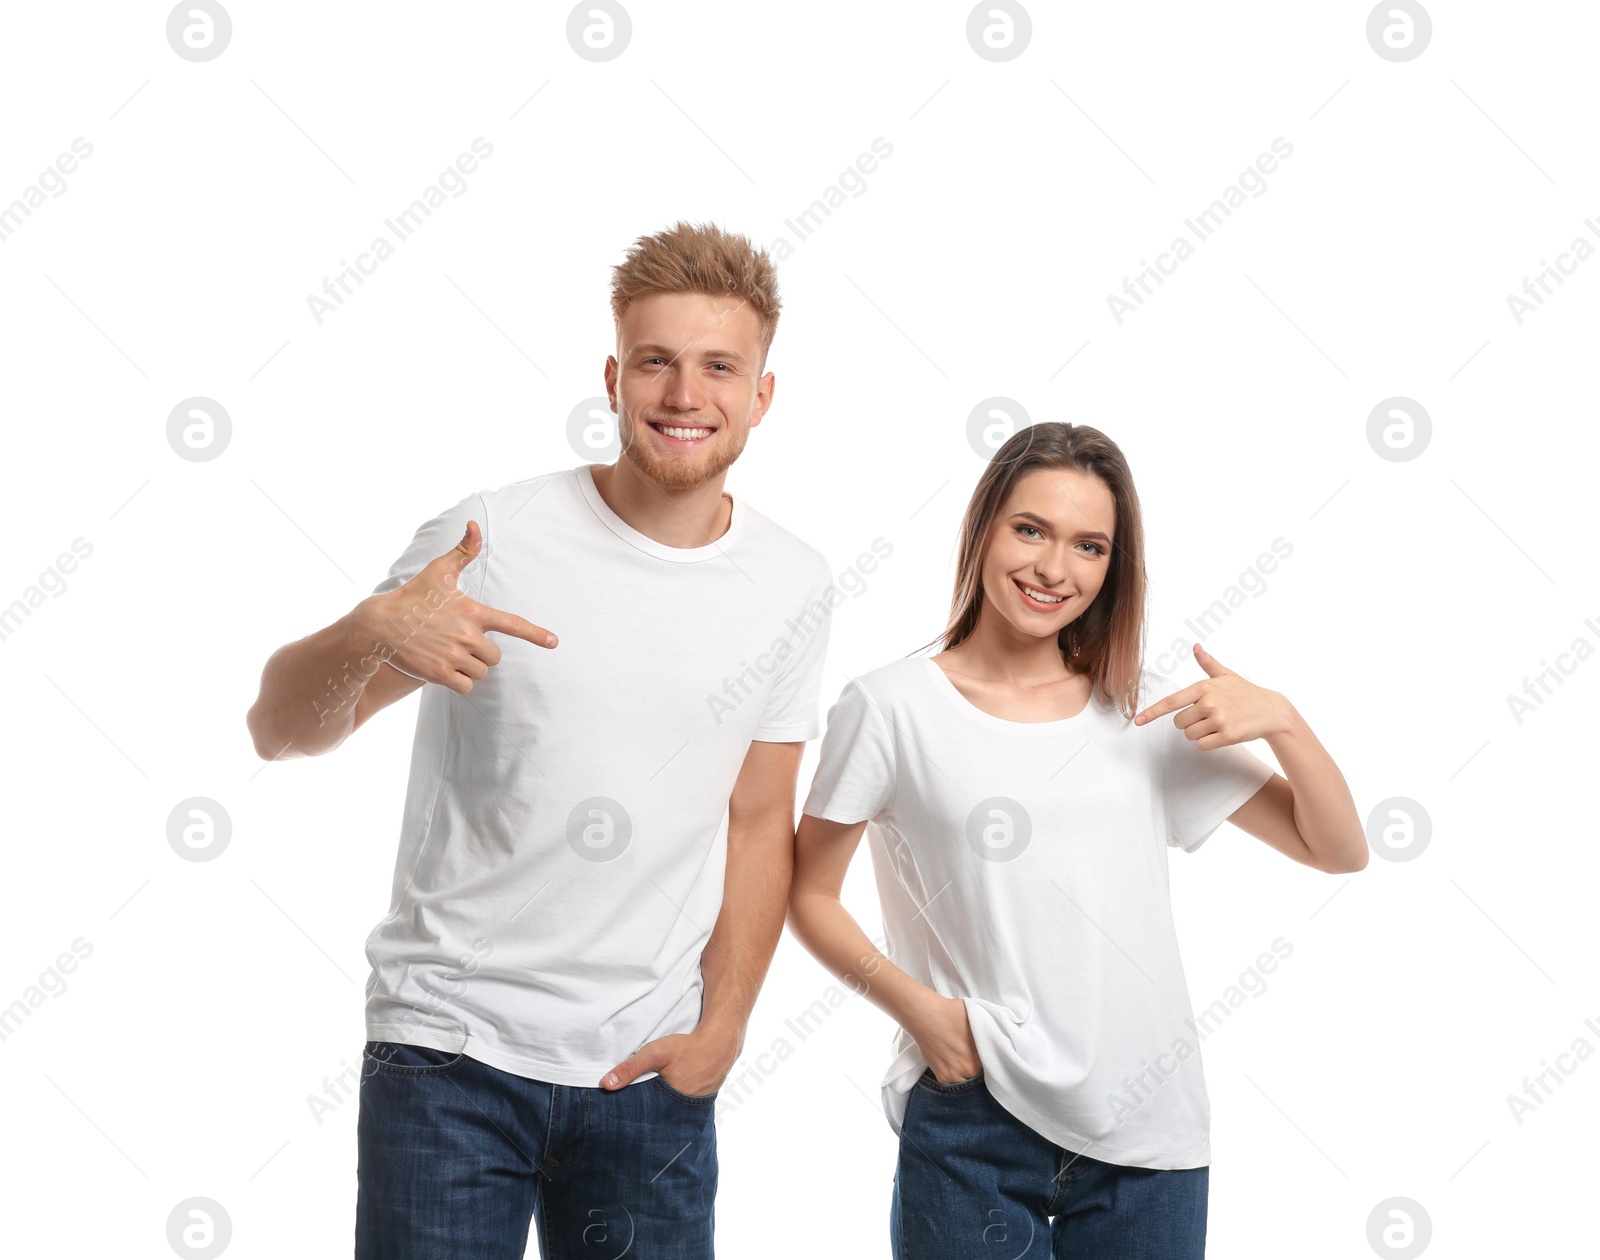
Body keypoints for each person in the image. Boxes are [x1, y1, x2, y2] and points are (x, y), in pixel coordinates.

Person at [245, 222, 835, 1259]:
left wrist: (725, 1027)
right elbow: (279, 731)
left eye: (717, 368)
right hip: (450, 1059)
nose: (683, 395)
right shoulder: (489, 540)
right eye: (655, 362)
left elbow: (755, 821)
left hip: (648, 1076)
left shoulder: (791, 584)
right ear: (613, 378)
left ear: (762, 395)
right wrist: (368, 631)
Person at [787, 422, 1367, 1260]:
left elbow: (1336, 849)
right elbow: (807, 892)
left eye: (1089, 546)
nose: (1054, 569)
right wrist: (929, 1020)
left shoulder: (1144, 708)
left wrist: (1286, 723)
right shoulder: (889, 707)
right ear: (984, 527)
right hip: (973, 1117)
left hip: (1148, 1132)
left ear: (1112, 566)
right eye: (1031, 530)